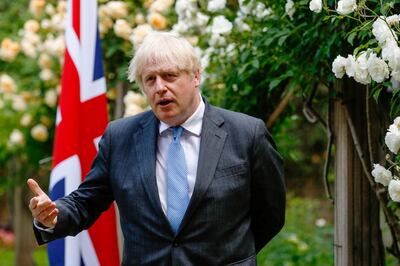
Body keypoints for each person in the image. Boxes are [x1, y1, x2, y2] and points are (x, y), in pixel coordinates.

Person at [28, 32, 286, 266]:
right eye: (150, 79)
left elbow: (271, 214)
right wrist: (53, 216)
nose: (159, 87)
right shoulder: (120, 138)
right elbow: (86, 202)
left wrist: (232, 254)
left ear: (196, 76)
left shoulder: (246, 133)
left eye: (169, 76)